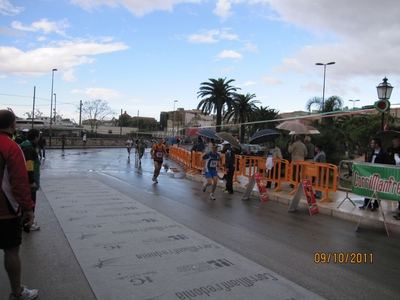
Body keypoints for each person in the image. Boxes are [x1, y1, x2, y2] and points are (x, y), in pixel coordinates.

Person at [0, 110, 38, 300]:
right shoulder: (11, 147)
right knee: (11, 250)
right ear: (12, 125)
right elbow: (20, 182)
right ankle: (17, 292)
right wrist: (28, 208)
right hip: (6, 210)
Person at [359, 138, 393, 211]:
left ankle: (376, 205)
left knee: (377, 190)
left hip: (379, 175)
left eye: (372, 143)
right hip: (370, 174)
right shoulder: (372, 152)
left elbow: (387, 164)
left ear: (376, 144)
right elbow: (369, 160)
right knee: (368, 188)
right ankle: (367, 204)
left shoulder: (384, 154)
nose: (371, 144)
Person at [19, 129, 41, 231]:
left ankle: (25, 221)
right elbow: (29, 166)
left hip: (26, 180)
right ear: (36, 137)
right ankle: (28, 223)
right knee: (31, 201)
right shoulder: (30, 149)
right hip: (30, 182)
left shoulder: (26, 146)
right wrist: (31, 181)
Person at [387, 138, 400, 215]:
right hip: (393, 170)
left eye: (398, 141)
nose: (397, 143)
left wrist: (397, 156)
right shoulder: (391, 149)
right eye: (396, 142)